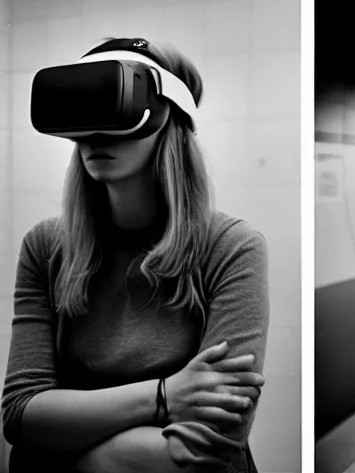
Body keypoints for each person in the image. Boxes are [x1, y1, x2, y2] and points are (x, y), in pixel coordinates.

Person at [1, 37, 270, 472]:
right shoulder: (45, 247)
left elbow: (202, 453)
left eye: (113, 111)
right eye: (82, 116)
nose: (93, 136)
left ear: (168, 120)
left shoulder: (232, 247)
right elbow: (20, 415)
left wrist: (52, 451)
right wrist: (165, 396)